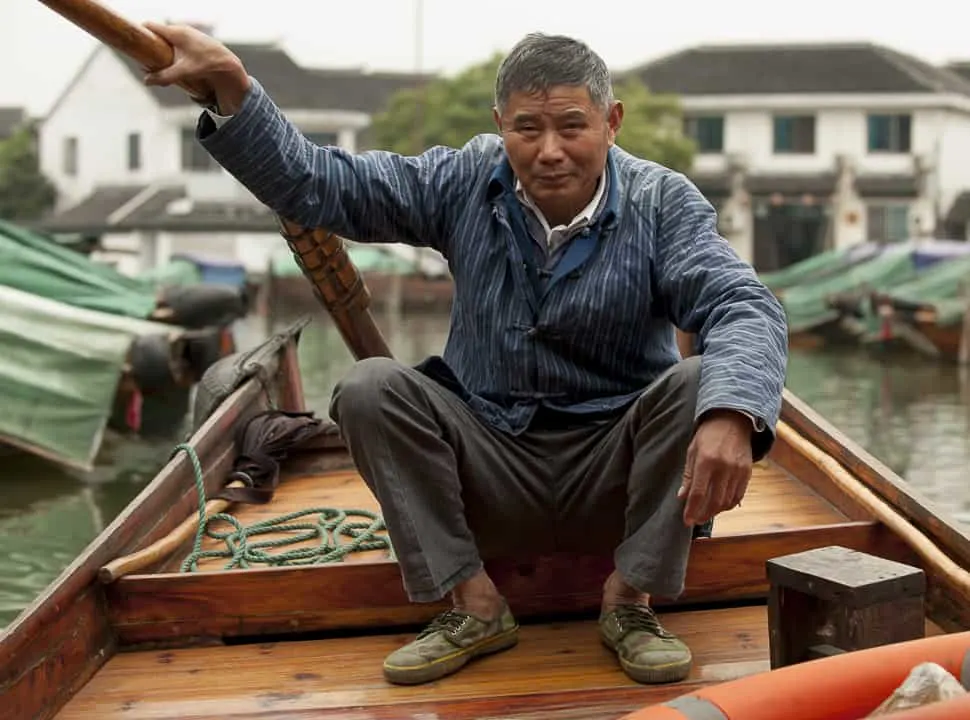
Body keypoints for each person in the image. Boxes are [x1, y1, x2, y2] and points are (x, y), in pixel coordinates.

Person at [143, 25, 789, 687]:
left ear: (612, 122)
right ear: (499, 124)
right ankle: (473, 604)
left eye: (572, 126)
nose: (548, 152)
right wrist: (233, 89)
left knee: (701, 382)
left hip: (615, 474)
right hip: (491, 465)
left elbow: (743, 304)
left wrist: (733, 414)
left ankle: (630, 599)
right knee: (369, 388)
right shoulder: (465, 179)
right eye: (526, 129)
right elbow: (323, 184)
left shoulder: (662, 202)